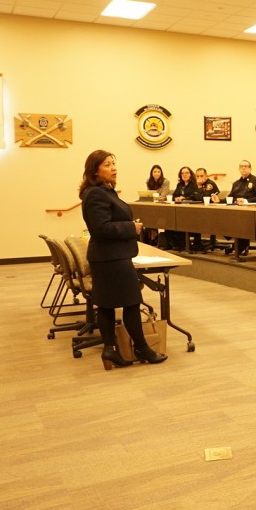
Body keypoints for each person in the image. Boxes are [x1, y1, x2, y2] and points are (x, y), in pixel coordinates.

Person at [79, 149, 167, 369]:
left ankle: (111, 351)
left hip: (111, 256)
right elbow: (100, 228)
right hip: (111, 258)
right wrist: (132, 227)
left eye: (113, 163)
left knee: (108, 306)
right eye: (107, 165)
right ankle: (142, 348)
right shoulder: (96, 194)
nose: (114, 168)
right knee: (131, 303)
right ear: (95, 171)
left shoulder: (105, 191)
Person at [216, 160, 256, 261]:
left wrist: (246, 201)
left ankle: (242, 246)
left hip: (249, 212)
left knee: (240, 222)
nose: (243, 168)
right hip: (235, 212)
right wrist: (219, 200)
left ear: (250, 168)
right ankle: (238, 245)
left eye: (246, 166)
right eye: (241, 166)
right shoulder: (236, 183)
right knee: (222, 219)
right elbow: (230, 198)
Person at [165, 166, 200, 250]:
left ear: (191, 174)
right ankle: (175, 243)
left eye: (187, 173)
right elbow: (174, 195)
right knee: (170, 221)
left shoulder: (195, 184)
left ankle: (182, 243)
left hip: (191, 211)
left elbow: (196, 196)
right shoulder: (180, 185)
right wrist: (176, 198)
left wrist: (184, 198)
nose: (184, 175)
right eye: (182, 173)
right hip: (179, 210)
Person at [142, 164, 170, 244]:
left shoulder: (165, 181)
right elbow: (148, 194)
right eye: (155, 172)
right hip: (152, 205)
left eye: (158, 172)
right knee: (147, 214)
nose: (157, 173)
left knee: (155, 215)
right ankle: (151, 237)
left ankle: (155, 237)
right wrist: (154, 197)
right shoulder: (149, 181)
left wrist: (155, 197)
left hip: (163, 205)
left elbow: (164, 196)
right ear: (152, 173)